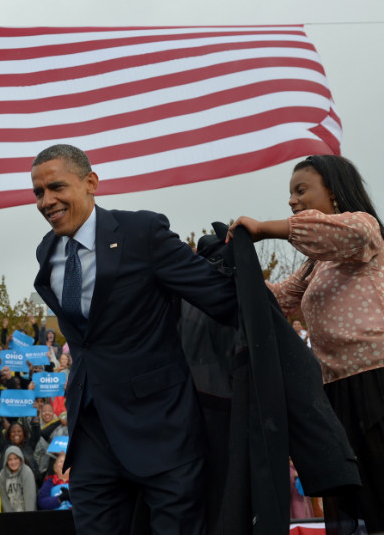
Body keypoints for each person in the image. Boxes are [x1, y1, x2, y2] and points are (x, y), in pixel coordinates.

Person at [228, 155, 384, 532]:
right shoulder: (314, 267)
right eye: (290, 193)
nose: (292, 200)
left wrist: (262, 229)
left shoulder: (364, 229)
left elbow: (324, 232)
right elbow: (273, 298)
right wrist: (218, 272)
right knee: (370, 508)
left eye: (301, 190)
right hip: (340, 393)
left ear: (334, 192)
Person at [30, 144, 238, 535]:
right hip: (92, 431)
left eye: (56, 187)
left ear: (91, 183)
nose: (46, 201)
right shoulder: (47, 251)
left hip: (163, 428)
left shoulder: (141, 231)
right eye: (38, 192)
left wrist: (238, 261)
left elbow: (221, 299)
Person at [0, 446, 37, 512]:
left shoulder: (27, 472)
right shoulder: (2, 474)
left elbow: (30, 498)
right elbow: (4, 499)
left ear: (20, 459)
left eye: (16, 458)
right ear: (6, 461)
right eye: (10, 459)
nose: (13, 462)